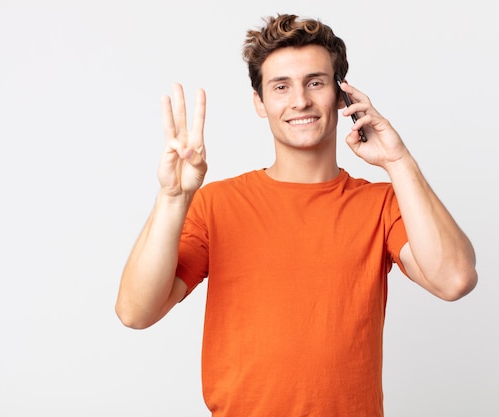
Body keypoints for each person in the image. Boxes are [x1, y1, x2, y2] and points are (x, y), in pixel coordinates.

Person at [116, 13, 477, 417]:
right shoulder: (216, 204)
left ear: (342, 97)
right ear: (260, 101)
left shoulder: (381, 203)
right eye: (281, 86)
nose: (300, 101)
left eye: (315, 82)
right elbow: (135, 312)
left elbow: (454, 280)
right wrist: (172, 197)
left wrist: (399, 160)